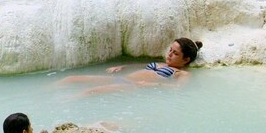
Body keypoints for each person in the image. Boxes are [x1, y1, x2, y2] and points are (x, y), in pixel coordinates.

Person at [58, 37, 203, 92]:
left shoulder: (182, 73)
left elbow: (178, 89)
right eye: (170, 50)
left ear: (186, 60)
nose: (169, 54)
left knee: (91, 91)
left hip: (133, 86)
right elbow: (139, 67)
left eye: (175, 53)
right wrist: (122, 67)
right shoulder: (161, 64)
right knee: (70, 78)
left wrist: (150, 85)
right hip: (123, 78)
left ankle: (63, 104)